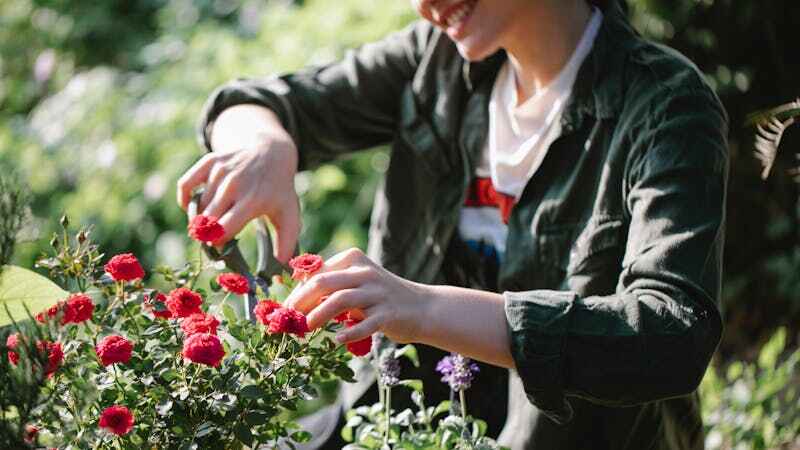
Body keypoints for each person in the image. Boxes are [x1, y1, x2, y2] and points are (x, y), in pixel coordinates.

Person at [177, 0, 728, 448]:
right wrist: (264, 146)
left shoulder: (664, 105)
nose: (423, 7)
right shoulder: (434, 61)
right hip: (391, 422)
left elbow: (670, 333)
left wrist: (421, 308)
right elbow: (260, 102)